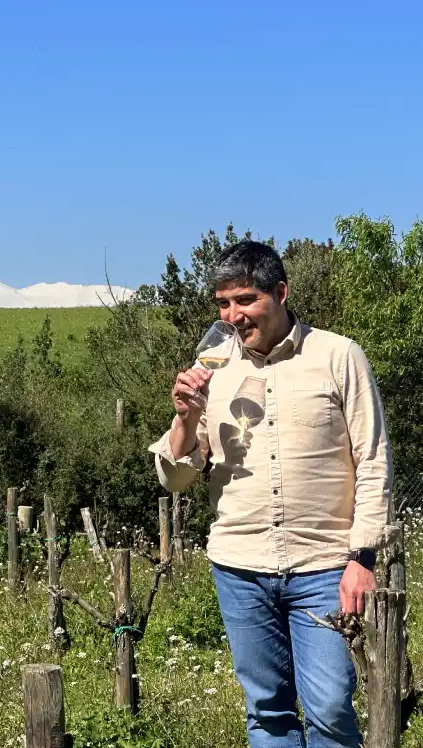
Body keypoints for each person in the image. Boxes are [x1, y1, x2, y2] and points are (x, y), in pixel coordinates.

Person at [148, 240, 394, 748]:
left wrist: (363, 557)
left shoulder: (337, 355)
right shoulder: (212, 370)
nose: (232, 316)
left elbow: (373, 460)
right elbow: (175, 478)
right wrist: (187, 415)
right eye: (222, 304)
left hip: (325, 565)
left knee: (328, 707)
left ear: (280, 292)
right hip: (240, 567)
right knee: (266, 712)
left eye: (244, 300)